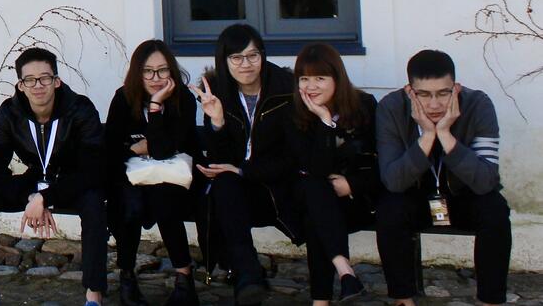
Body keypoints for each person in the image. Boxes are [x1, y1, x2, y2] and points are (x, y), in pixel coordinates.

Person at [0, 48, 108, 306]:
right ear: (20, 85)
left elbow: (91, 170)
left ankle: (94, 296)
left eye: (45, 78)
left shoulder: (80, 109)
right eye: (30, 80)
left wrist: (47, 198)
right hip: (34, 181)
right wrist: (33, 197)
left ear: (57, 81)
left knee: (94, 202)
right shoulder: (9, 113)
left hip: (71, 182)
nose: (38, 85)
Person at [375, 49, 511, 306]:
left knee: (495, 209)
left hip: (464, 195)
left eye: (443, 93)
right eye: (424, 95)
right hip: (415, 196)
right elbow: (393, 180)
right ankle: (403, 298)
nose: (435, 104)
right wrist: (427, 136)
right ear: (409, 91)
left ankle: (491, 300)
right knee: (390, 209)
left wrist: (446, 135)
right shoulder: (390, 108)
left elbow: (485, 181)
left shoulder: (478, 105)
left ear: (456, 88)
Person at [190, 24, 300, 306]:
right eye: (236, 58)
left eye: (253, 55)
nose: (246, 64)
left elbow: (293, 156)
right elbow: (219, 158)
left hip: (277, 191)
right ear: (224, 61)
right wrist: (216, 121)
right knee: (223, 184)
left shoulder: (286, 89)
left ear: (263, 56)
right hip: (239, 193)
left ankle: (244, 271)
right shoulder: (218, 93)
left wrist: (241, 170)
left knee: (227, 184)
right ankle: (248, 272)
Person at [105, 40, 201, 306]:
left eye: (162, 70)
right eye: (148, 71)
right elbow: (111, 149)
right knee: (129, 204)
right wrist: (135, 149)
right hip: (132, 178)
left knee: (163, 199)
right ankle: (127, 278)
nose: (156, 78)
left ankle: (184, 281)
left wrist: (156, 106)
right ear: (138, 72)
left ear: (171, 71)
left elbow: (162, 150)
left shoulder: (183, 100)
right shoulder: (123, 98)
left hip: (175, 180)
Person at [291, 43, 381, 304]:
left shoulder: (364, 105)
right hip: (313, 196)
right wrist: (324, 122)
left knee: (315, 216)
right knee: (314, 186)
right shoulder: (295, 112)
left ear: (337, 78)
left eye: (320, 78)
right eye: (304, 79)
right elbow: (315, 168)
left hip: (356, 199)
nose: (311, 86)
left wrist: (351, 184)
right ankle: (345, 273)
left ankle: (322, 299)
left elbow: (382, 161)